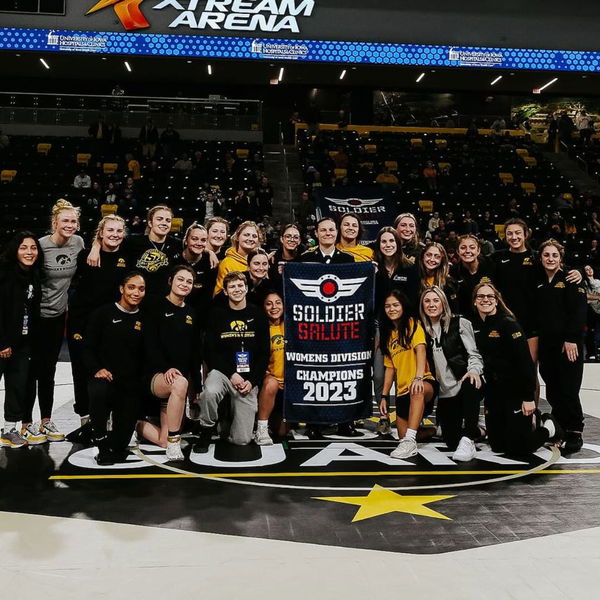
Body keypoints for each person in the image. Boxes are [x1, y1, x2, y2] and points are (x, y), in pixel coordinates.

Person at [472, 282, 562, 456]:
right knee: (497, 445)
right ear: (475, 301)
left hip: (515, 392)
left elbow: (526, 363)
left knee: (518, 448)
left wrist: (528, 398)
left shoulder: (508, 324)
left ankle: (549, 427)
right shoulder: (475, 325)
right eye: (480, 296)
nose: (485, 300)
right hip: (494, 394)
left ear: (496, 300)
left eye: (490, 296)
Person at [24, 200, 85, 443]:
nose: (70, 225)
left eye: (73, 221)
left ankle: (46, 421)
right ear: (54, 223)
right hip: (35, 317)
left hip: (57, 317)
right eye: (65, 221)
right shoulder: (40, 246)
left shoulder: (79, 243)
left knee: (48, 370)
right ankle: (26, 424)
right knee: (31, 371)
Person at [68, 215, 130, 442]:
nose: (114, 234)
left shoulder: (127, 255)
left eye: (119, 230)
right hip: (82, 322)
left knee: (107, 371)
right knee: (81, 373)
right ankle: (86, 423)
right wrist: (94, 247)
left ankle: (106, 422)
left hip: (111, 325)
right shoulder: (86, 256)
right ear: (100, 233)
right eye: (110, 230)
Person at [195, 271, 270, 451]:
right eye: (232, 286)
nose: (237, 289)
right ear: (226, 292)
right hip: (224, 372)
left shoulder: (258, 314)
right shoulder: (216, 314)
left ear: (246, 288)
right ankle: (206, 430)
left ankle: (225, 418)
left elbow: (263, 353)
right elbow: (210, 352)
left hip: (248, 378)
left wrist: (252, 381)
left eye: (240, 285)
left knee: (242, 440)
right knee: (210, 392)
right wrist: (231, 374)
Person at [139, 265, 202, 461]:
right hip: (155, 374)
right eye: (180, 279)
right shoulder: (155, 306)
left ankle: (131, 422)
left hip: (177, 383)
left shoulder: (192, 313)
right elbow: (149, 344)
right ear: (170, 282)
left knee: (163, 439)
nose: (185, 284)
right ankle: (175, 443)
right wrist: (166, 368)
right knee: (180, 382)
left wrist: (197, 386)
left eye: (189, 281)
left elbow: (194, 352)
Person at [83, 272, 146, 465]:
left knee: (120, 446)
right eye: (131, 287)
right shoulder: (103, 313)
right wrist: (97, 368)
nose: (136, 292)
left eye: (141, 289)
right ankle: (99, 439)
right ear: (122, 289)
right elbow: (86, 348)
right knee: (98, 390)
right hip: (105, 377)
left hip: (129, 384)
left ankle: (114, 439)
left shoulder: (145, 319)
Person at [420, 286, 483, 461]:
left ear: (443, 303)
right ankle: (481, 429)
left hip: (464, 382)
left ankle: (470, 437)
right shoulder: (421, 330)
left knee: (471, 382)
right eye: (427, 301)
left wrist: (473, 370)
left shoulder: (459, 323)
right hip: (445, 393)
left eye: (435, 300)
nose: (431, 305)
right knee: (451, 440)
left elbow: (474, 354)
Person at [535, 240, 587, 453]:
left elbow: (579, 311)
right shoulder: (538, 280)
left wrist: (572, 338)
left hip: (568, 344)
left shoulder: (571, 279)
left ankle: (575, 431)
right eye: (546, 255)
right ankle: (561, 428)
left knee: (568, 388)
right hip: (546, 344)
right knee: (554, 388)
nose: (550, 259)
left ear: (561, 258)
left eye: (554, 255)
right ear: (541, 258)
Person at [380, 289, 437, 459]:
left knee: (417, 390)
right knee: (401, 435)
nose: (392, 309)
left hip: (424, 383)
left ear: (403, 306)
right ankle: (434, 430)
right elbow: (390, 369)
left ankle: (410, 443)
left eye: (396, 305)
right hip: (403, 391)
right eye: (388, 306)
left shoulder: (413, 323)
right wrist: (384, 396)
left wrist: (419, 377)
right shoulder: (388, 335)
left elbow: (421, 350)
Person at [0, 232, 43, 448]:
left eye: (33, 248)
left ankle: (9, 430)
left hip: (22, 342)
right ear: (15, 250)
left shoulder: (34, 274)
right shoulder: (4, 274)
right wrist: (2, 342)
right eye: (24, 248)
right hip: (3, 342)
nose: (29, 252)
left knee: (18, 386)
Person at [89, 205, 180, 297]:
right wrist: (95, 247)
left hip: (163, 298)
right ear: (150, 223)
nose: (164, 223)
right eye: (159, 219)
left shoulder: (176, 244)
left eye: (168, 220)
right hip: (135, 298)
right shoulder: (133, 241)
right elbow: (112, 239)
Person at [255, 291, 286, 445]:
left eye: (278, 302)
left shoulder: (292, 326)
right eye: (269, 303)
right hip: (269, 383)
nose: (274, 307)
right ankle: (261, 427)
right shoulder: (260, 328)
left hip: (288, 385)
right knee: (271, 384)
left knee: (281, 432)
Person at [451, 234, 495, 319]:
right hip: (465, 319)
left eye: (472, 247)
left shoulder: (491, 266)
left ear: (478, 250)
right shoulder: (453, 272)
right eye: (463, 248)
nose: (467, 251)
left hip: (490, 316)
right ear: (457, 251)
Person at [214, 221, 263, 295]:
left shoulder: (263, 262)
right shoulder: (227, 263)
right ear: (237, 237)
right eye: (246, 235)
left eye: (254, 236)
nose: (250, 239)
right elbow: (219, 293)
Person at [179, 222, 217, 317]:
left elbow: (207, 297)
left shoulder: (211, 262)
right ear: (186, 240)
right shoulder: (174, 258)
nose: (199, 243)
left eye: (203, 240)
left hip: (199, 315)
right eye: (194, 239)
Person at [417, 241, 458, 311]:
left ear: (442, 260)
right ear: (422, 257)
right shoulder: (413, 278)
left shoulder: (449, 282)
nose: (432, 259)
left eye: (437, 257)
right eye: (428, 255)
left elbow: (454, 308)